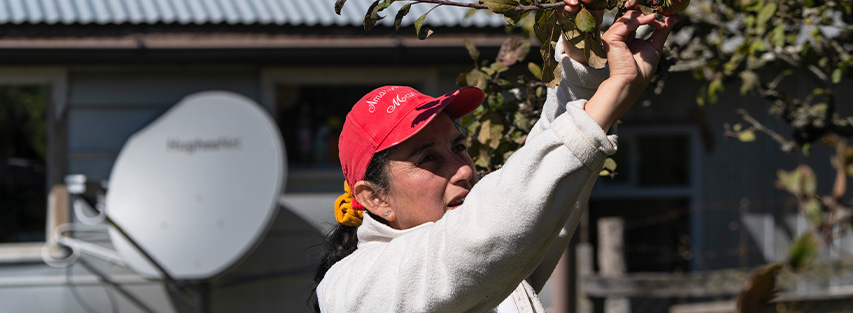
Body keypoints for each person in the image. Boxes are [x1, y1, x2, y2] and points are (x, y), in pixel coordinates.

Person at [311, 0, 678, 311]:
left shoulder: (491, 269)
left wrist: (582, 60)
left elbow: (528, 199)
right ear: (375, 198)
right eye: (428, 160)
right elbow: (490, 230)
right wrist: (612, 95)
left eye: (459, 148)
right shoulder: (352, 290)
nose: (463, 171)